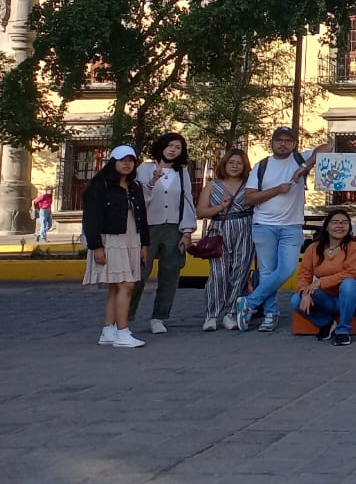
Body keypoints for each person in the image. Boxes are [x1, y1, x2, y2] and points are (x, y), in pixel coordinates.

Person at [235, 126, 332, 333]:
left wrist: (305, 166)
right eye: (279, 140)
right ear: (272, 142)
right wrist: (277, 190)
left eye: (288, 140)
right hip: (263, 225)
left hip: (291, 225)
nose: (283, 144)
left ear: (295, 144)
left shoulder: (299, 159)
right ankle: (270, 314)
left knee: (287, 269)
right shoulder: (262, 166)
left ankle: (250, 303)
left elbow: (329, 147)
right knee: (268, 271)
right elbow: (249, 198)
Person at [82, 146, 150, 348]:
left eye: (131, 160)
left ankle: (108, 330)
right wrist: (96, 246)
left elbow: (142, 217)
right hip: (110, 239)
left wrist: (144, 244)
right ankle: (123, 332)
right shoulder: (99, 186)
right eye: (122, 160)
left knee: (116, 287)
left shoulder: (135, 186)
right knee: (126, 285)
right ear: (113, 162)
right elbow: (91, 218)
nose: (127, 163)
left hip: (132, 238)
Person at [131, 132, 198, 334]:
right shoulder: (145, 168)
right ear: (161, 147)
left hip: (173, 228)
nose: (173, 150)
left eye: (177, 147)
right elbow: (140, 198)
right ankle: (125, 316)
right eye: (170, 146)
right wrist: (153, 181)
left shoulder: (182, 172)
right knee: (139, 273)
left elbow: (187, 201)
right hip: (149, 228)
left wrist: (187, 232)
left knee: (170, 273)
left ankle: (159, 316)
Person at [197, 148, 256, 331]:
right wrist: (219, 208)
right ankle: (211, 315)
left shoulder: (250, 185)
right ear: (224, 164)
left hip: (245, 229)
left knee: (240, 272)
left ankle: (230, 313)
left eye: (239, 163)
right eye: (231, 162)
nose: (235, 166)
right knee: (219, 274)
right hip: (220, 230)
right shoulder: (213, 185)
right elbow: (200, 212)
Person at [292, 209, 356, 346]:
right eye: (335, 222)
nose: (340, 226)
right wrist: (305, 292)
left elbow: (351, 272)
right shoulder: (313, 248)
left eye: (344, 223)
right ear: (327, 226)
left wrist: (321, 282)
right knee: (295, 300)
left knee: (348, 283)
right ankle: (326, 323)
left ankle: (343, 331)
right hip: (329, 299)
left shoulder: (354, 246)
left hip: (355, 298)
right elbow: (304, 275)